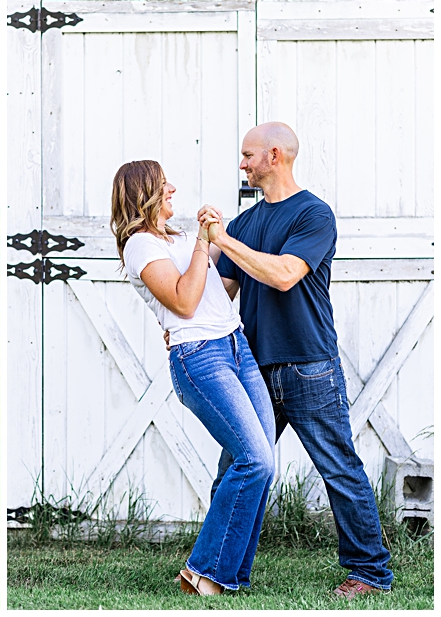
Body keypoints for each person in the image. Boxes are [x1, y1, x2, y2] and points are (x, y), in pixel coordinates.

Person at [206, 124, 394, 600]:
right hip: (253, 368)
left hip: (309, 367)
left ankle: (369, 574)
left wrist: (223, 240)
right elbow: (220, 292)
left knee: (339, 468)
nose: (243, 164)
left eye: (248, 155)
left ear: (274, 155)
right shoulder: (247, 223)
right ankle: (217, 571)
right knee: (237, 469)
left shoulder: (314, 214)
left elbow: (286, 274)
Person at [112, 160, 274, 597]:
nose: (173, 191)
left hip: (235, 346)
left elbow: (215, 289)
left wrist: (215, 234)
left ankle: (228, 573)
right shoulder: (140, 247)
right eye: (165, 186)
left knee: (259, 463)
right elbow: (185, 303)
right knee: (253, 459)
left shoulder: (177, 239)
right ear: (144, 193)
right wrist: (204, 245)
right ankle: (205, 573)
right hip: (199, 358)